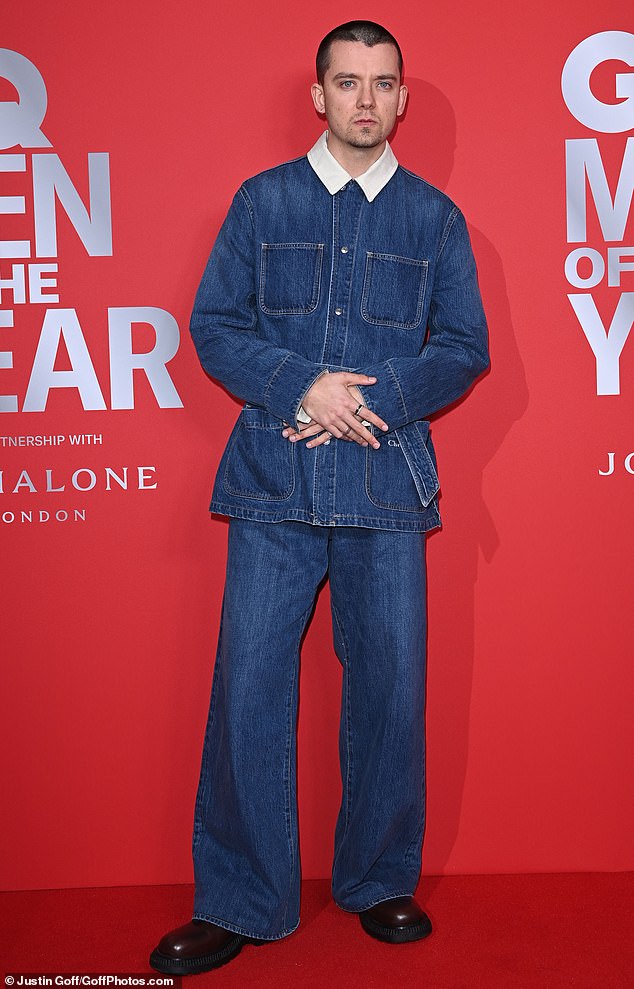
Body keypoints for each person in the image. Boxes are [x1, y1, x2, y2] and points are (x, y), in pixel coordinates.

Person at [149, 20, 489, 976]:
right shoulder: (260, 203)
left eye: (384, 84)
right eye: (348, 83)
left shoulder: (437, 220)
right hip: (271, 484)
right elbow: (213, 326)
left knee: (390, 688)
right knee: (249, 687)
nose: (367, 101)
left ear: (404, 98)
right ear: (319, 96)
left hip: (386, 486)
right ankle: (242, 898)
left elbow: (464, 348)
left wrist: (357, 397)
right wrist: (304, 383)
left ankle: (377, 879)